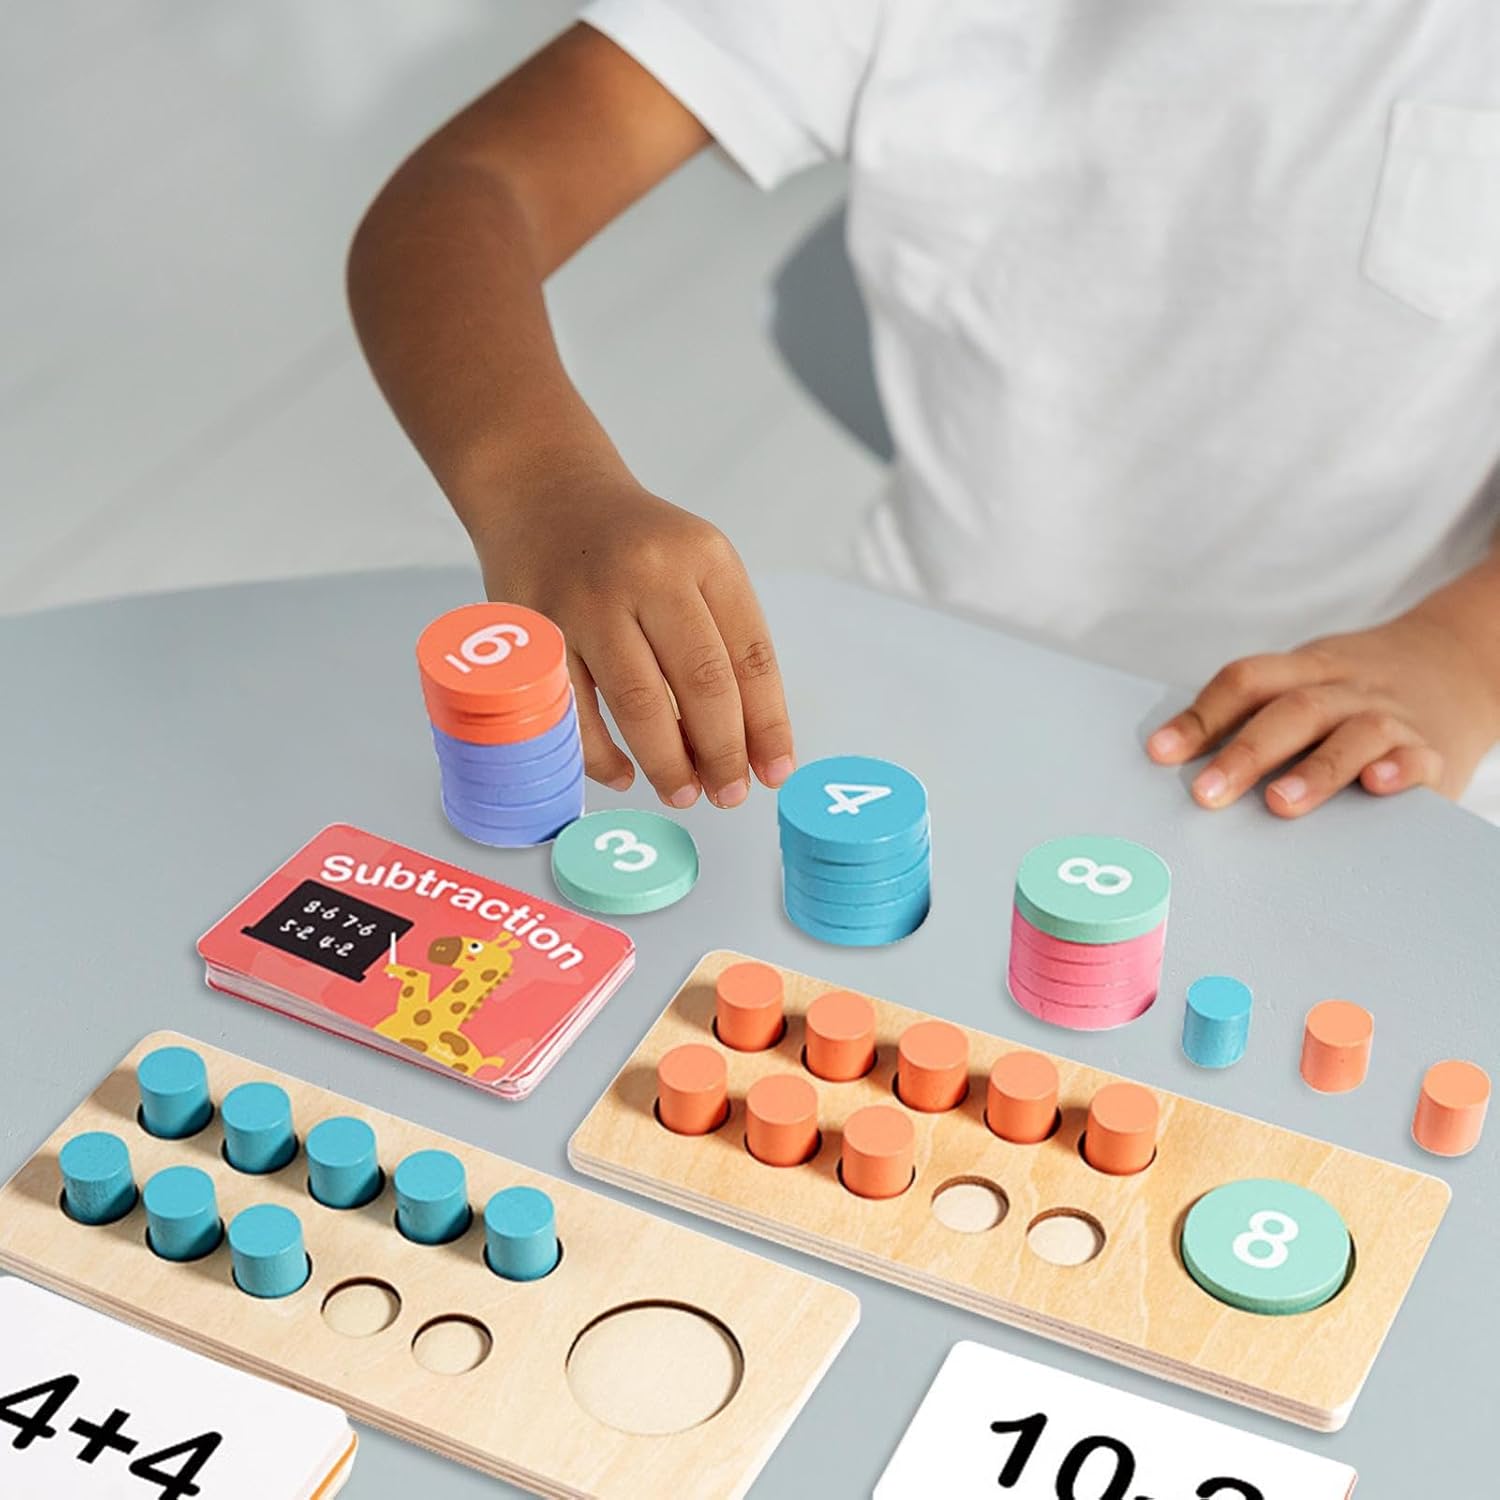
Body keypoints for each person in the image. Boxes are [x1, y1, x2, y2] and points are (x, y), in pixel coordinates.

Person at [347, 4, 1500, 823]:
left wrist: (1465, 657)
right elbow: (471, 189)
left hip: (1376, 749)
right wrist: (545, 490)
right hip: (915, 682)